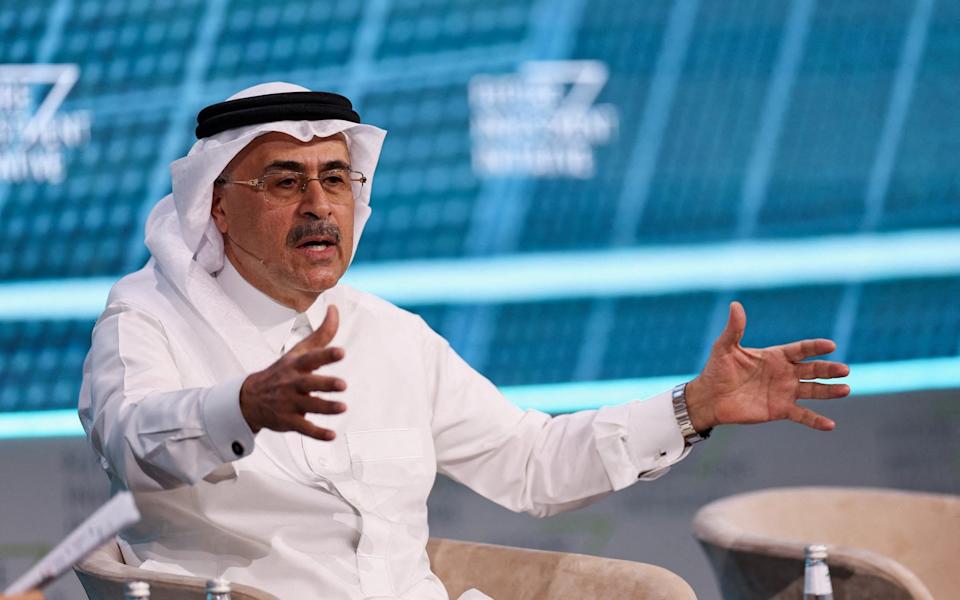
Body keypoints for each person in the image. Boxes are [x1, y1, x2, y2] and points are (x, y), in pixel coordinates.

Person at [78, 82, 850, 599]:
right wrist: (242, 407)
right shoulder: (147, 318)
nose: (319, 205)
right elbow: (133, 442)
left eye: (336, 179)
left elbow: (531, 463)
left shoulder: (390, 335)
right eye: (285, 181)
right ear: (217, 207)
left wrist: (693, 406)